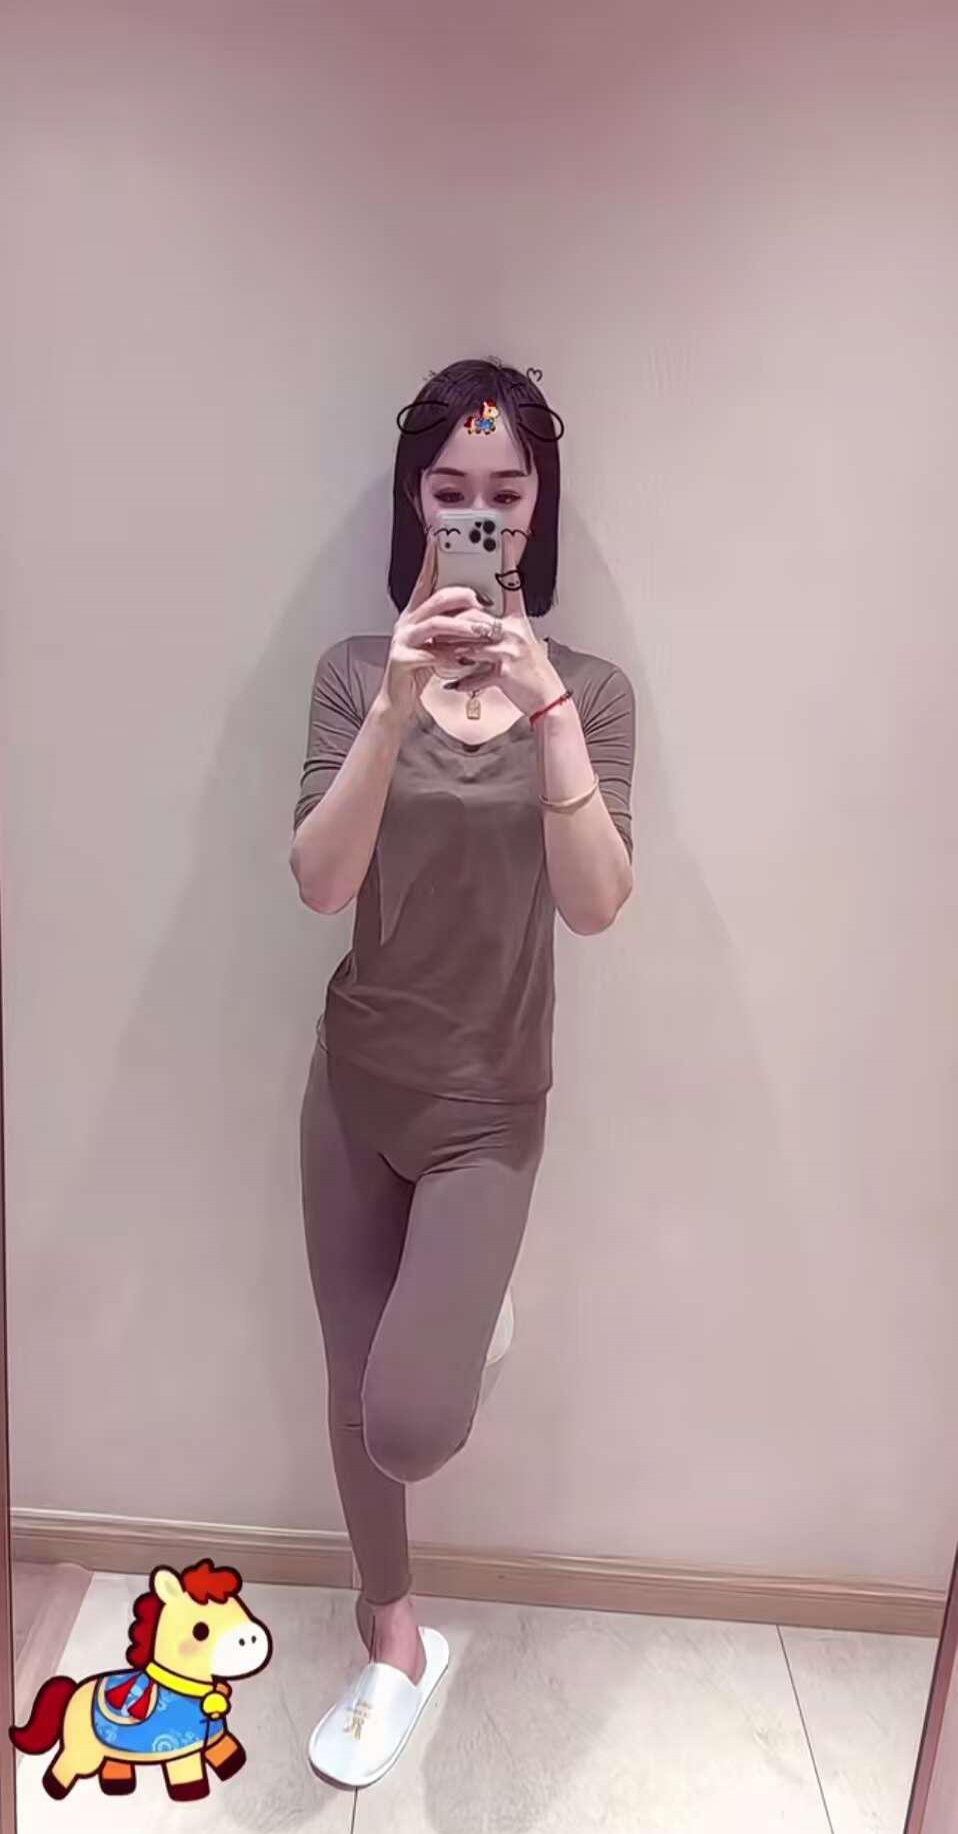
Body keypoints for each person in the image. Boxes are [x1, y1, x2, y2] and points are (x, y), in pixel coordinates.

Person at [290, 356, 636, 1784]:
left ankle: (467, 1307)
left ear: (535, 510)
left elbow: (596, 903)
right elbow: (320, 884)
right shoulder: (350, 675)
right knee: (350, 1387)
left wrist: (547, 712)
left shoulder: (591, 691)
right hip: (354, 1085)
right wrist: (393, 707)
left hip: (489, 1102)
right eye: (450, 490)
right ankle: (393, 1638)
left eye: (504, 492)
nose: (476, 515)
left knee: (411, 1417)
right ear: (416, 504)